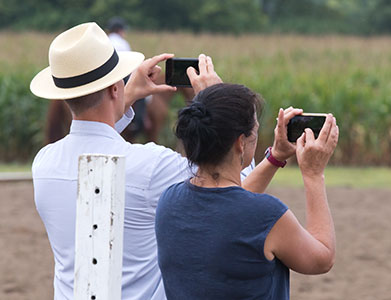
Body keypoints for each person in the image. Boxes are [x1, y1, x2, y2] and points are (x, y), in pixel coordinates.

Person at [29, 22, 282, 300]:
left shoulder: (44, 164)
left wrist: (127, 95)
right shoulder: (151, 166)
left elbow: (93, 135)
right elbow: (235, 192)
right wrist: (218, 109)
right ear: (115, 87)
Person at [155, 83, 339, 299]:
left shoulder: (169, 202)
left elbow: (228, 208)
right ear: (241, 143)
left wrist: (275, 157)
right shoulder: (265, 216)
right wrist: (313, 174)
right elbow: (322, 257)